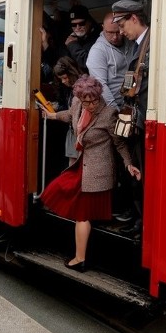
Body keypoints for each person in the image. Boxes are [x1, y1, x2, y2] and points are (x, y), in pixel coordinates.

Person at [39, 75, 140, 271]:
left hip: (97, 170)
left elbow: (119, 143)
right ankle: (81, 256)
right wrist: (51, 115)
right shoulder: (78, 103)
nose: (90, 105)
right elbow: (70, 115)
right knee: (56, 189)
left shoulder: (109, 114)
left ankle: (80, 259)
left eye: (93, 100)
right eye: (86, 101)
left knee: (82, 215)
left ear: (98, 95)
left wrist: (129, 164)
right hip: (80, 163)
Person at [114, 0, 150, 238]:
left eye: (122, 24)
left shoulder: (150, 44)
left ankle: (143, 222)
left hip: (144, 120)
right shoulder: (140, 44)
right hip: (138, 119)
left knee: (140, 173)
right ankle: (139, 219)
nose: (121, 31)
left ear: (134, 19)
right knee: (136, 172)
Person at [86, 11, 132, 108]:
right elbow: (100, 85)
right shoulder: (97, 51)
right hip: (113, 107)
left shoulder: (130, 42)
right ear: (103, 28)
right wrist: (115, 112)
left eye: (118, 32)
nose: (115, 37)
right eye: (110, 32)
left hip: (131, 103)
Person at [52, 56, 87, 168]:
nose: (63, 81)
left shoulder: (82, 88)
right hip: (73, 131)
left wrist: (53, 115)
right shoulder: (73, 88)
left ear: (71, 72)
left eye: (64, 77)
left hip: (80, 132)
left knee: (74, 167)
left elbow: (72, 114)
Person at [64, 5, 100, 71]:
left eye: (81, 23)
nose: (77, 27)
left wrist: (72, 45)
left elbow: (87, 63)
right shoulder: (72, 37)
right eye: (73, 25)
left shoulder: (99, 37)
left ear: (89, 22)